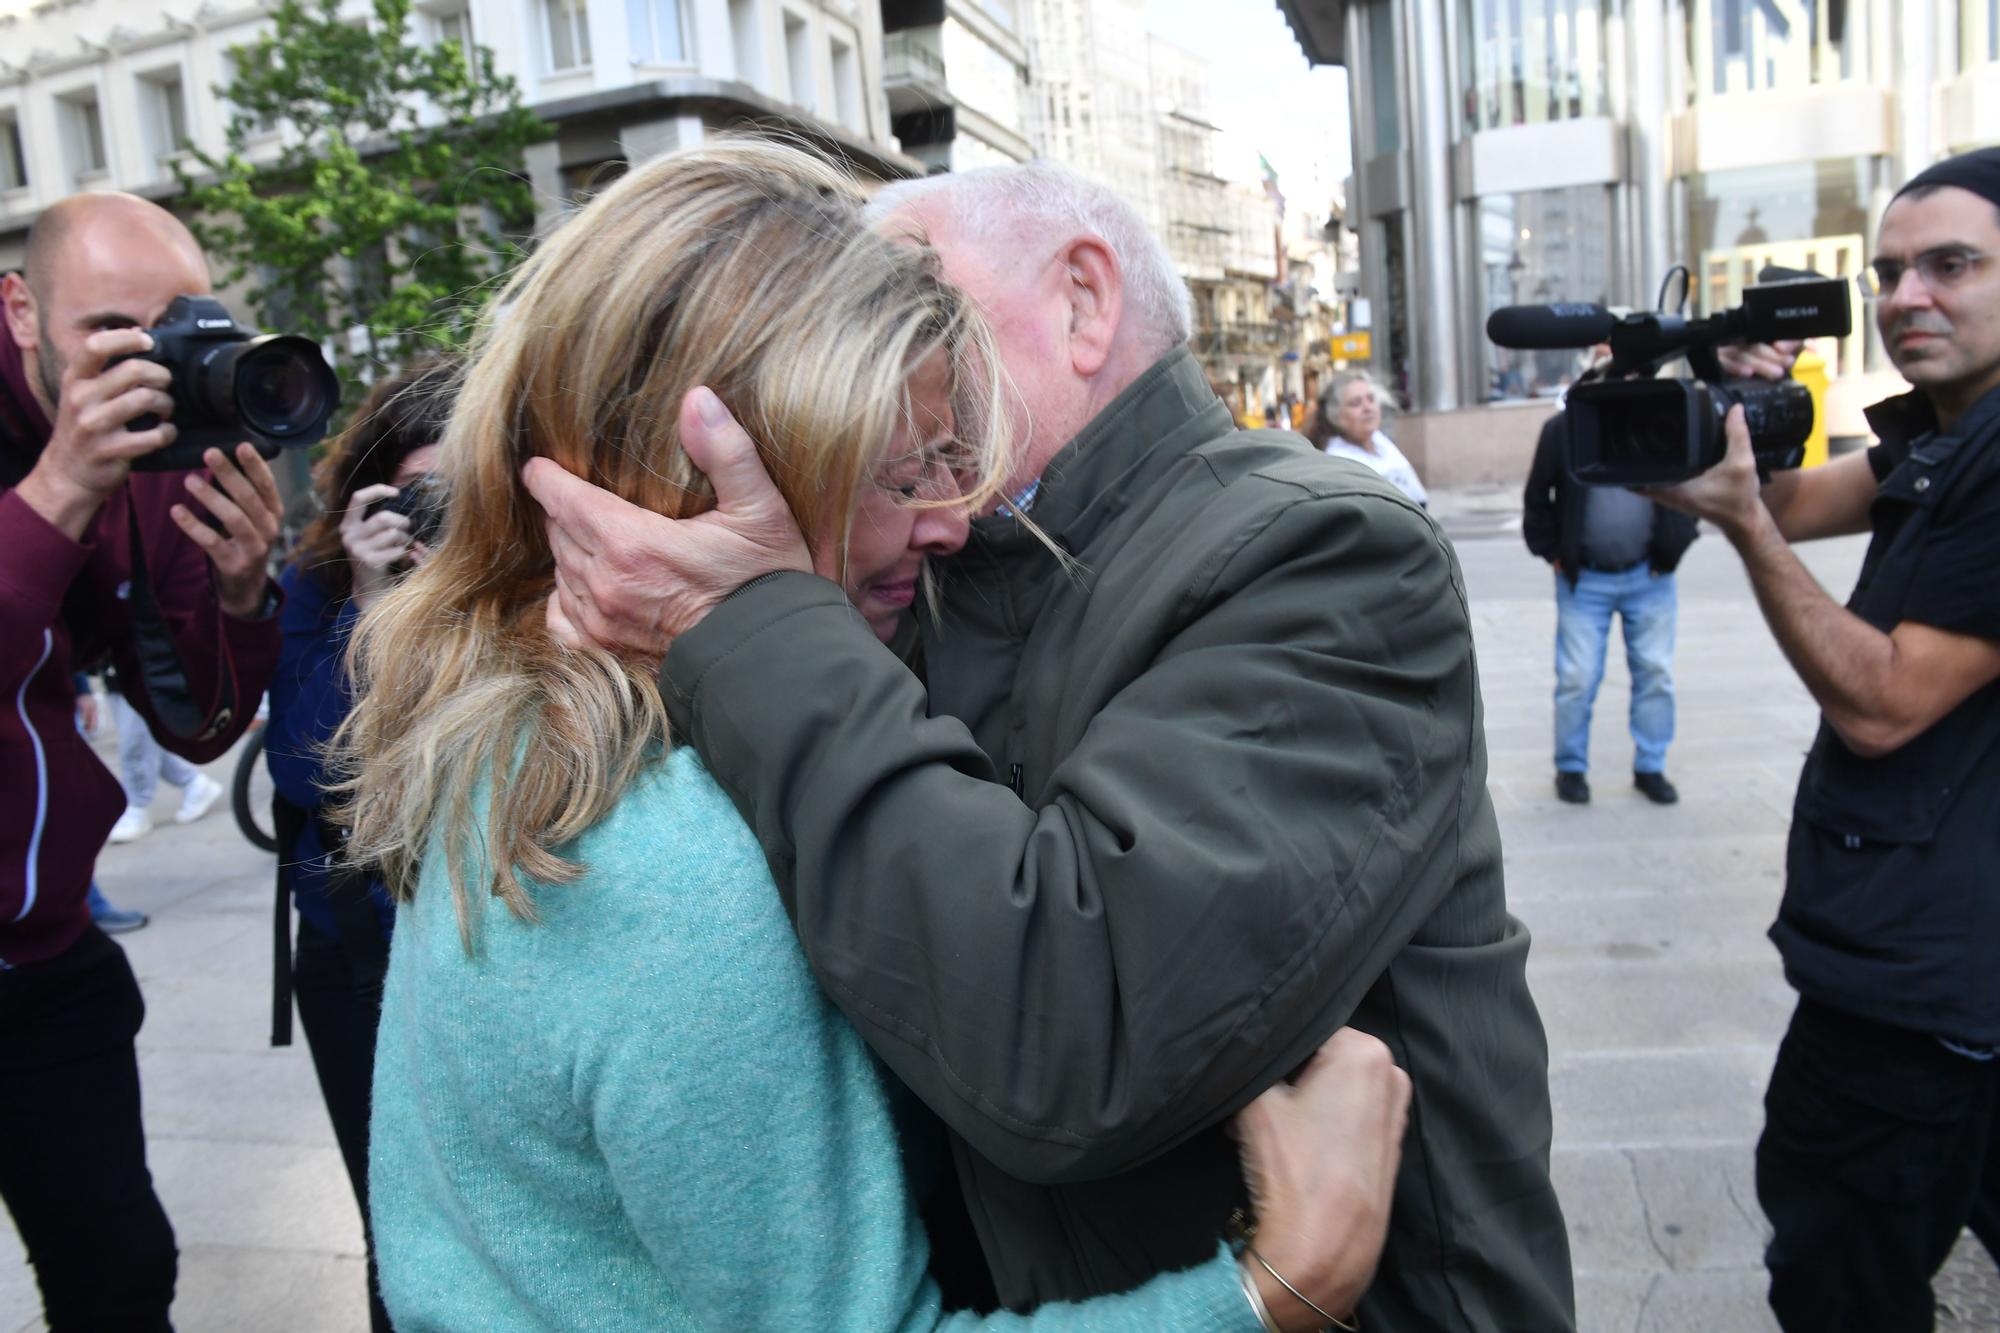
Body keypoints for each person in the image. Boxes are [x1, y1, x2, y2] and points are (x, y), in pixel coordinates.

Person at [334, 140, 1410, 1332]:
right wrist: (1272, 1289)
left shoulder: (532, 732)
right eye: (903, 474)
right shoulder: (675, 861)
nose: (950, 523)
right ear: (732, 475)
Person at [1651, 146, 2000, 1331]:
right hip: (1950, 954)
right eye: (1891, 270)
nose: (1908, 298)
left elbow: (1883, 700)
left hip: (1920, 981)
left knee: (1836, 1264)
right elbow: (1793, 498)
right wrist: (1685, 422)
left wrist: (1745, 532)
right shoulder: (1941, 431)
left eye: (1951, 265)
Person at [0, 195, 282, 1328]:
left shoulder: (159, 449)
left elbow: (201, 727)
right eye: (107, 329)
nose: (146, 360)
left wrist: (241, 592)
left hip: (45, 959)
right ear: (18, 308)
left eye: (177, 323)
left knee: (119, 1271)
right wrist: (61, 490)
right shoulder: (89, 456)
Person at [264, 358, 454, 1333]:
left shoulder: (528, 565)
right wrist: (373, 602)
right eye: (417, 495)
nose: (437, 519)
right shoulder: (325, 580)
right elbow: (307, 769)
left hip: (488, 946)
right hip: (362, 962)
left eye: (459, 492)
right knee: (403, 1240)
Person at [1522, 387, 1698, 806]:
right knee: (1576, 679)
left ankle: (1650, 766)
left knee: (1655, 673)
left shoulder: (1664, 423)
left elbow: (1691, 487)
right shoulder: (1564, 430)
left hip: (1649, 575)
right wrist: (1554, 552)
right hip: (1585, 582)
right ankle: (1570, 768)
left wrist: (1674, 545)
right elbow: (1537, 496)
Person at [105, 668, 226, 842]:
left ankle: (136, 804)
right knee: (144, 739)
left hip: (138, 666)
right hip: (113, 668)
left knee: (135, 740)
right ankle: (193, 783)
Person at [1308, 368, 1429, 506]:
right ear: (1336, 415)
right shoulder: (1337, 461)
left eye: (1371, 399)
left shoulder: (1380, 442)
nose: (1367, 407)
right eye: (1356, 403)